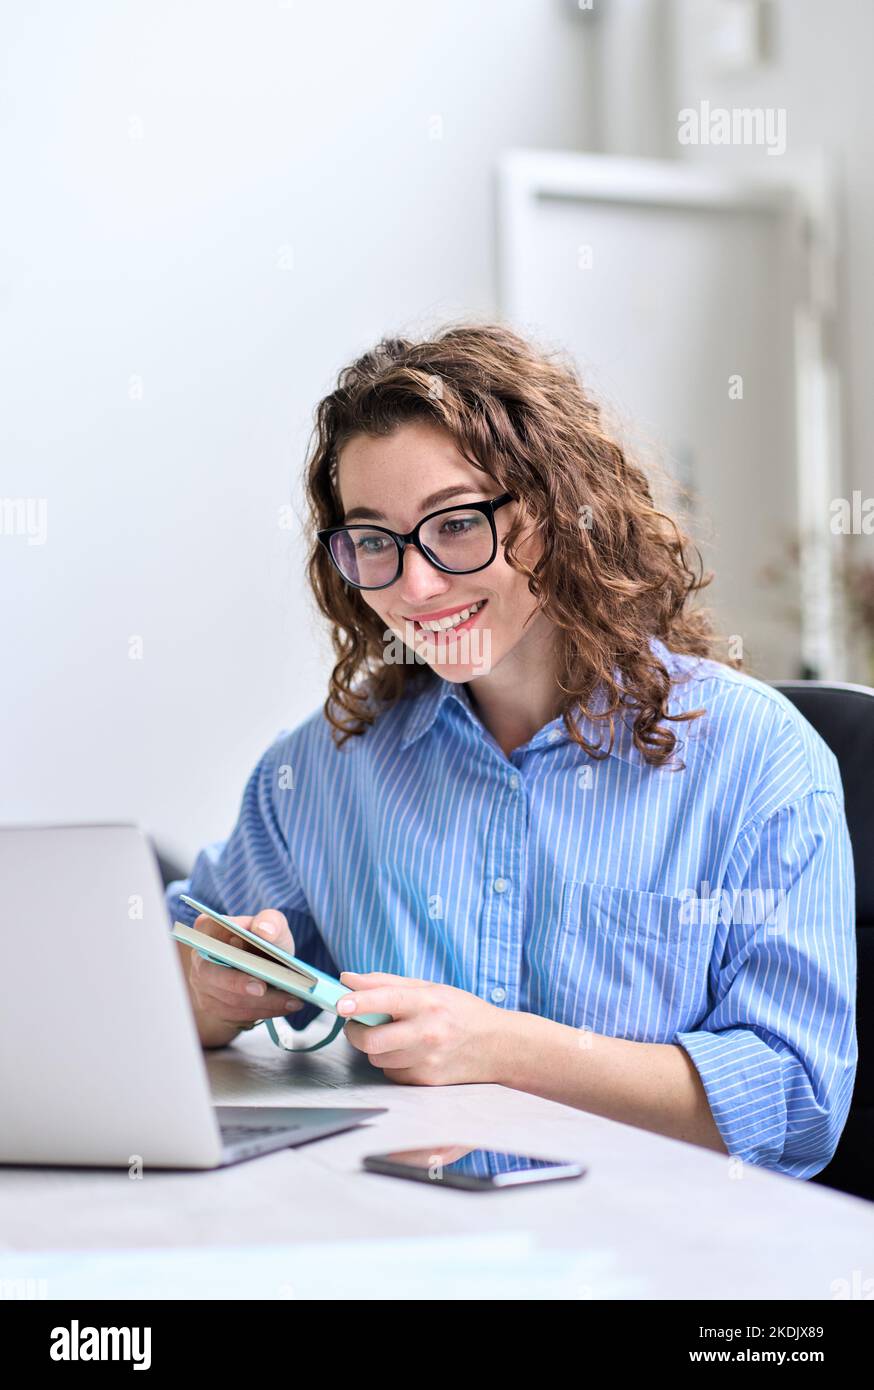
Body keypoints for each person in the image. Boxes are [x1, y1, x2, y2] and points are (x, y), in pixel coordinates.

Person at [167, 322, 857, 1179]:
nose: (415, 587)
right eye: (374, 541)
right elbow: (166, 969)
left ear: (559, 510)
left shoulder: (760, 762)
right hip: (399, 1244)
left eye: (455, 524)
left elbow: (797, 1102)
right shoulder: (319, 770)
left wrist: (504, 1048)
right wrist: (207, 993)